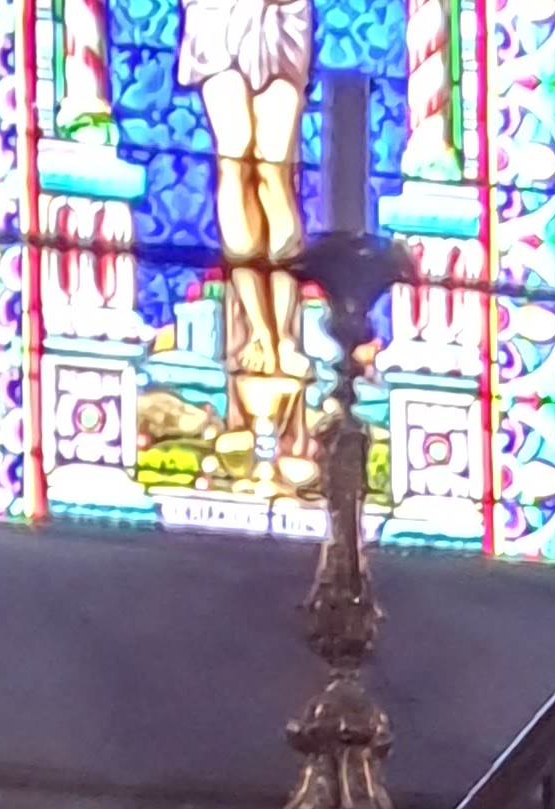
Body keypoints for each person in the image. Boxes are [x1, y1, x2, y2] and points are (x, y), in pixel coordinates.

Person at [178, 0, 316, 490]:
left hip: (280, 19)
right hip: (219, 15)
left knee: (275, 172)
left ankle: (285, 336)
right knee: (235, 162)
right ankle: (259, 331)